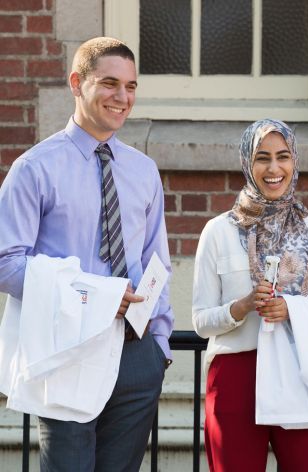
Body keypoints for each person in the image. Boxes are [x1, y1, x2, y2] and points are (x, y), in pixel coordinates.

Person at [0, 37, 174, 471]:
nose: (123, 97)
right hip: (67, 349)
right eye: (110, 83)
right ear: (77, 83)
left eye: (131, 86)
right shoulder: (34, 168)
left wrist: (160, 348)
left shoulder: (142, 170)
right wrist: (93, 297)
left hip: (135, 355)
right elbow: (5, 261)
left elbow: (157, 263)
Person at [192, 119, 308, 471]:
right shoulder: (218, 232)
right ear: (248, 163)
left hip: (299, 370)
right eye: (263, 158)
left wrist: (290, 309)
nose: (274, 168)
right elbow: (200, 321)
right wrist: (243, 306)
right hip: (236, 374)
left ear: (294, 161)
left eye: (283, 156)